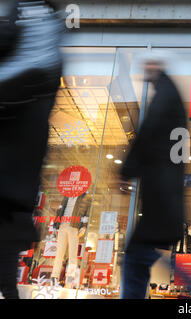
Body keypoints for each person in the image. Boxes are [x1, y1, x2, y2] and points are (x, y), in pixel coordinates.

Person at [0, 0, 63, 299]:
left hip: (9, 191)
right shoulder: (45, 86)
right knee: (6, 276)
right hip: (16, 197)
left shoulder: (19, 82)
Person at [119, 52, 187, 299]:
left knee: (136, 258)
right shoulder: (170, 94)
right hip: (164, 196)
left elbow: (147, 132)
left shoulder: (165, 95)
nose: (145, 70)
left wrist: (126, 171)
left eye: (149, 64)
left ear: (156, 66)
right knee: (138, 257)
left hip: (161, 195)